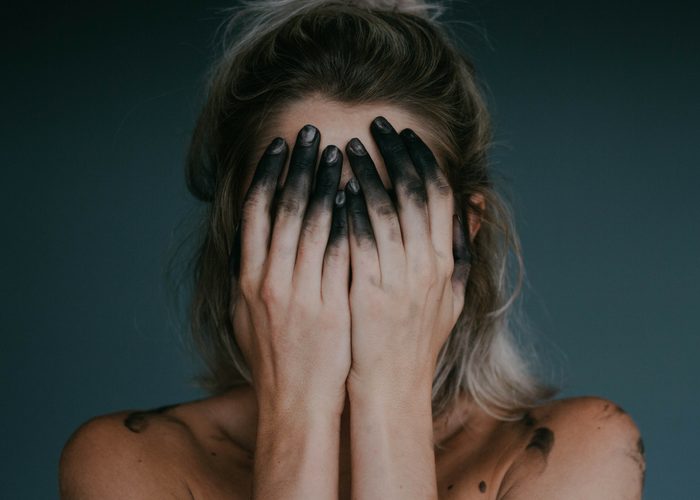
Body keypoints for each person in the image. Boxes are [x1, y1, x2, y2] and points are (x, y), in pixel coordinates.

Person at [59, 1, 646, 498]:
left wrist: (388, 394)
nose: (342, 254)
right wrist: (299, 409)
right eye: (301, 206)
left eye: (385, 212)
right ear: (240, 232)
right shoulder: (129, 464)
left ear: (462, 233)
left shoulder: (577, 454)